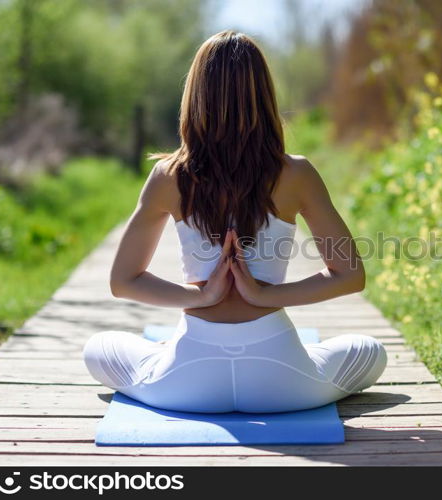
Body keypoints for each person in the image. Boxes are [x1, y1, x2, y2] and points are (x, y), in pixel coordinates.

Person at [81, 30, 387, 413]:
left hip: (187, 381)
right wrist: (265, 296)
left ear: (195, 96)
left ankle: (166, 354)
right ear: (264, 96)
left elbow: (122, 281)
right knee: (369, 350)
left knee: (99, 348)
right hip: (281, 381)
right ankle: (294, 356)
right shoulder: (297, 174)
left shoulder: (167, 175)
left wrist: (202, 297)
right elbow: (350, 275)